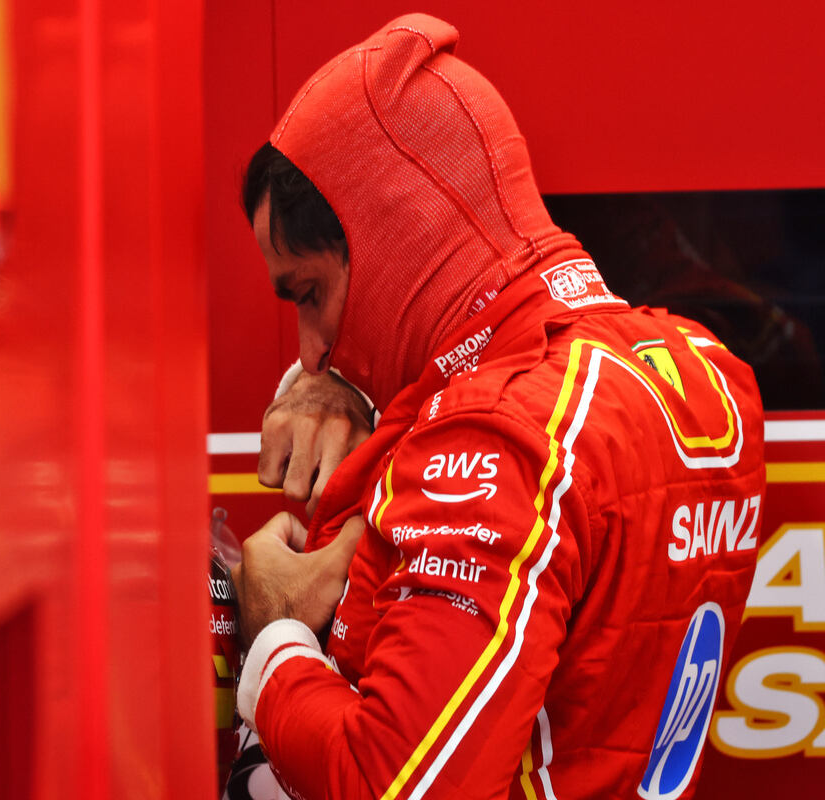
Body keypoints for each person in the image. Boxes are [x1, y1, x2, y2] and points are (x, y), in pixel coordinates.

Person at [229, 14, 766, 800]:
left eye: (311, 295)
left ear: (396, 238)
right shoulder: (701, 368)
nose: (314, 351)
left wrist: (272, 634)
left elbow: (396, 782)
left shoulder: (497, 437)